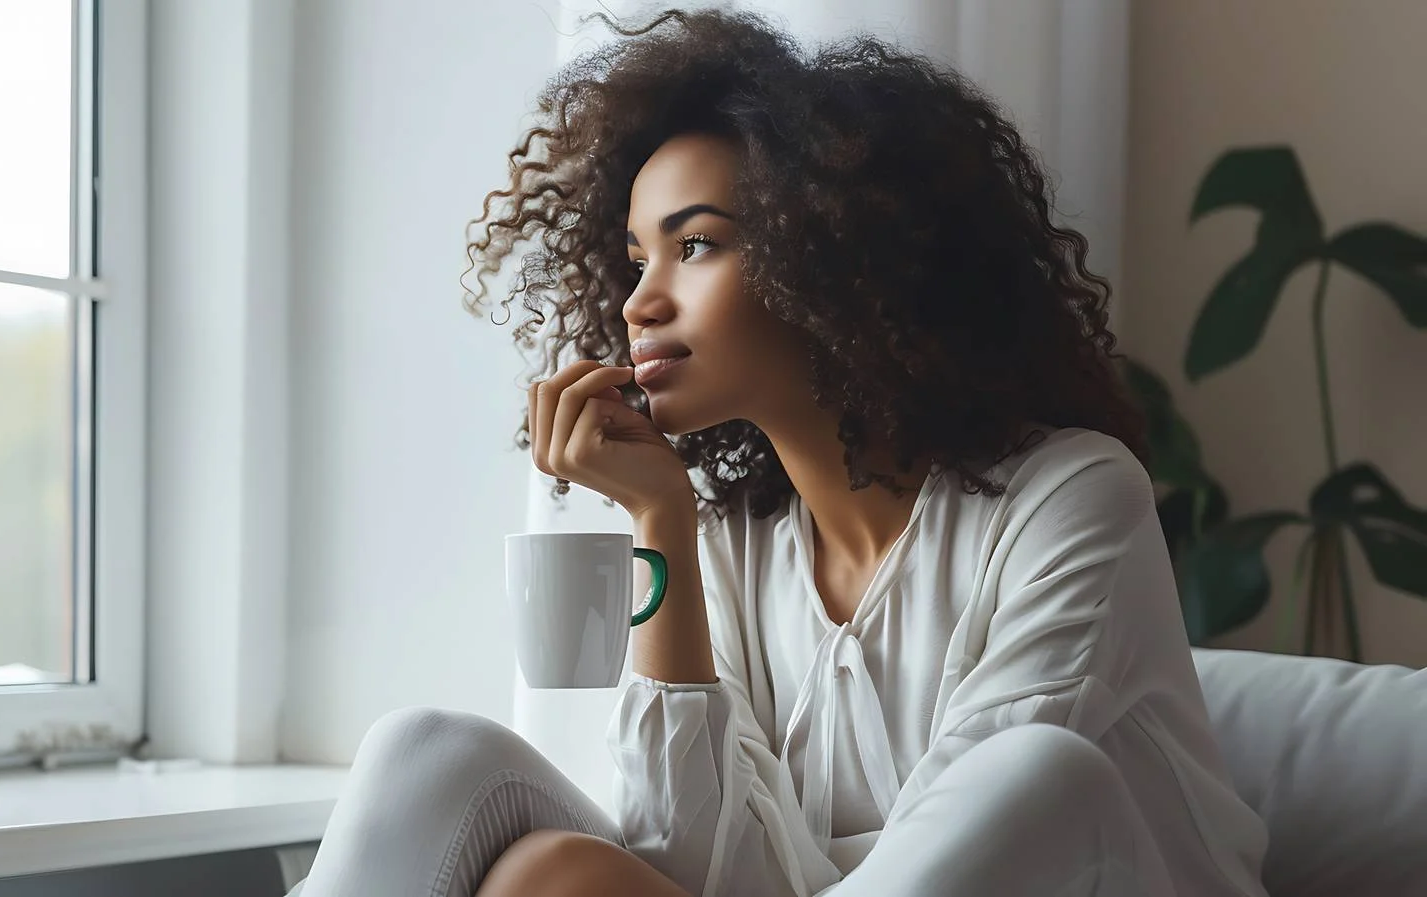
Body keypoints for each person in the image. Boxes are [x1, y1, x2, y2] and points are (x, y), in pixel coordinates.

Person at [295, 8, 1270, 897]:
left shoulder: (1070, 496)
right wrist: (661, 520)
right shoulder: (736, 545)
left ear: (836, 256)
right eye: (636, 260)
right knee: (438, 766)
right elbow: (690, 863)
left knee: (1038, 774)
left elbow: (987, 839)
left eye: (696, 245)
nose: (640, 303)